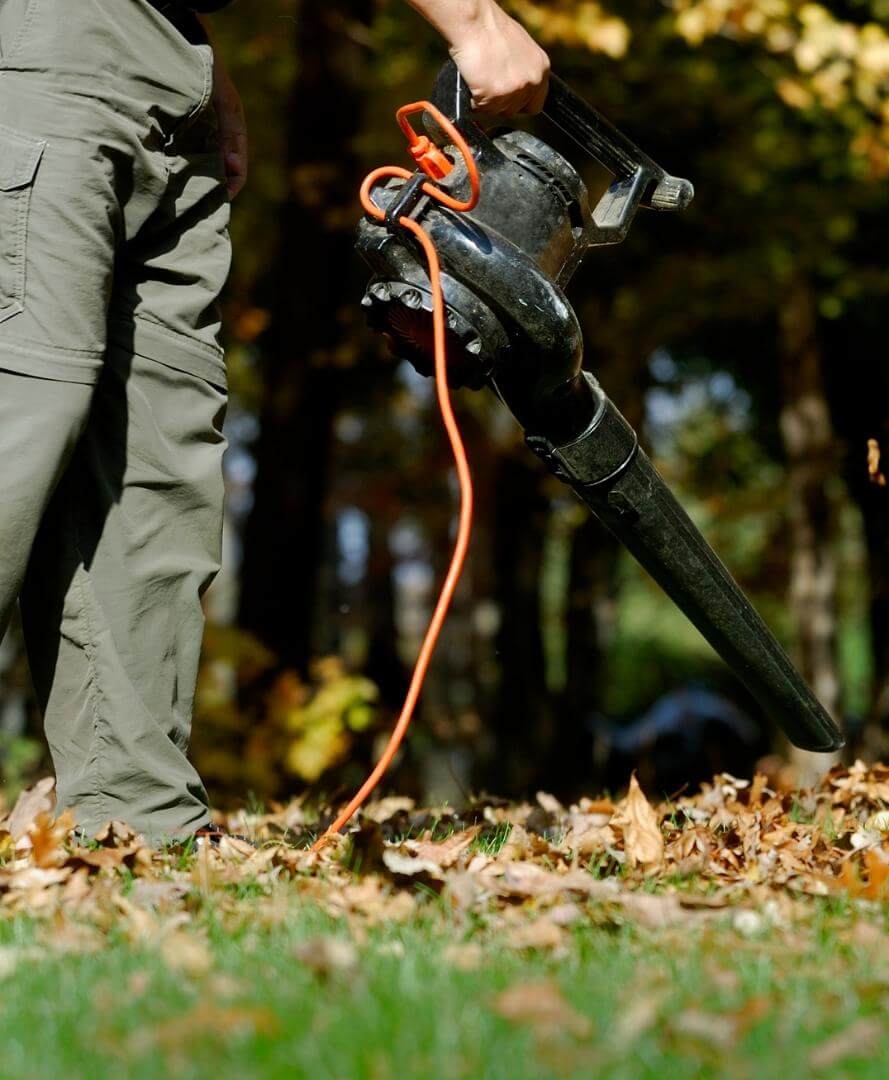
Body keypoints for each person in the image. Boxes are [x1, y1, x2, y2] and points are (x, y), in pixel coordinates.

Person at [0, 0, 550, 841]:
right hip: (49, 40)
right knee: (25, 410)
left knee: (152, 441)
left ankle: (133, 829)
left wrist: (193, 51)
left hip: (155, 54)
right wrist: (472, 17)